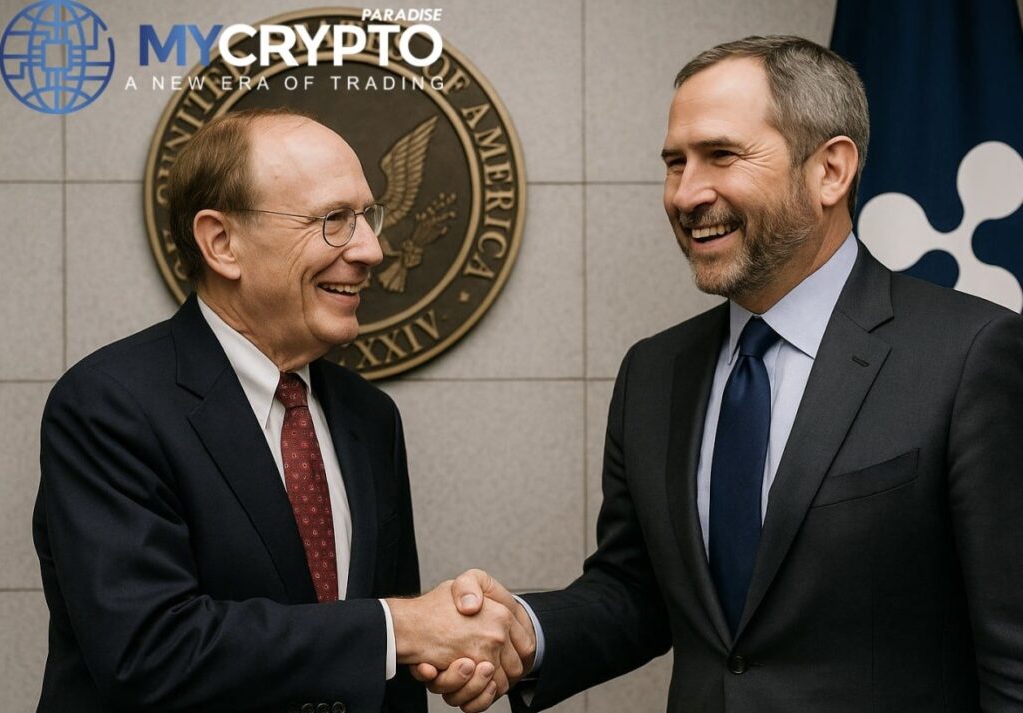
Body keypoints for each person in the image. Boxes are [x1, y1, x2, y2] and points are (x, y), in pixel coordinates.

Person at [419, 35, 1023, 712]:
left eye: (721, 156)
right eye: (674, 163)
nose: (685, 194)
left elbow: (1013, 654)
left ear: (830, 170)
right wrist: (523, 633)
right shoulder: (654, 372)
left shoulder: (970, 356)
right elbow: (637, 591)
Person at [32, 108, 533, 713]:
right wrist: (400, 627)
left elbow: (387, 667)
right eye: (333, 221)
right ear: (222, 243)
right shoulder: (109, 405)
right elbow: (149, 653)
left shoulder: (369, 417)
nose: (372, 249)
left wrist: (437, 646)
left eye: (367, 218)